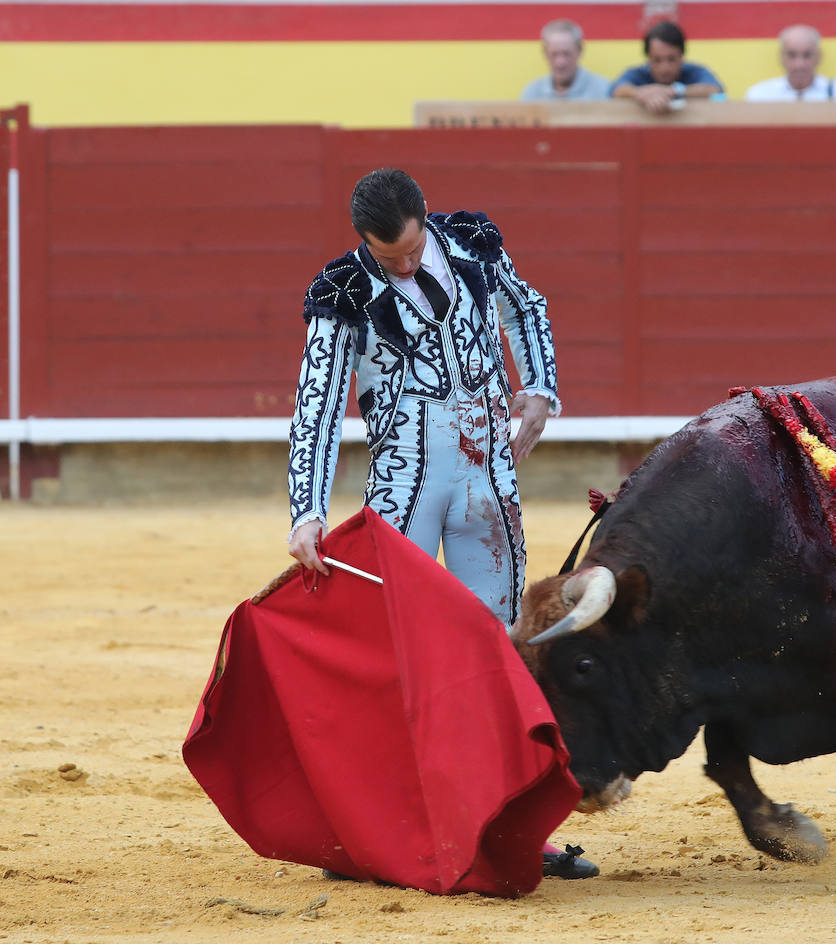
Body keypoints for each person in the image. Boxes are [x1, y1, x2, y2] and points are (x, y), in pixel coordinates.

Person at [287, 168, 596, 881]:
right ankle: (376, 830)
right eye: (384, 255)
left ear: (424, 215)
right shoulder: (342, 293)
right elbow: (319, 408)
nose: (399, 265)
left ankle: (515, 826)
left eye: (408, 248)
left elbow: (528, 309)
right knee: (397, 654)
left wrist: (541, 389)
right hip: (404, 483)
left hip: (489, 473)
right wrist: (306, 511)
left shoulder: (472, 244)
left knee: (501, 647)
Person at [611, 20, 723, 115]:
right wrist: (642, 93)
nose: (664, 68)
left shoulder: (695, 71)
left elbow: (716, 91)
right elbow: (617, 90)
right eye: (657, 60)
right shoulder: (637, 73)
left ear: (682, 56)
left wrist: (673, 90)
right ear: (648, 58)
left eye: (671, 59)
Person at [745, 25, 836, 102]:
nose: (799, 64)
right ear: (781, 56)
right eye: (792, 55)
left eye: (807, 55)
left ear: (819, 56)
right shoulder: (760, 94)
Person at [521, 19, 612, 101]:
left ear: (580, 50)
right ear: (545, 53)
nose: (560, 62)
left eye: (566, 54)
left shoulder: (604, 91)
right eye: (554, 54)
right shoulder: (532, 93)